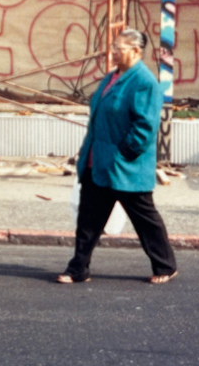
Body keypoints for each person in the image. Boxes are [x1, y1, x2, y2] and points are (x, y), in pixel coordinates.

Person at [57, 29, 177, 285]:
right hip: (97, 161)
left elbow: (145, 126)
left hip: (125, 166)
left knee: (145, 219)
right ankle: (78, 268)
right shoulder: (112, 77)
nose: (112, 52)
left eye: (118, 48)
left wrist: (123, 153)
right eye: (112, 47)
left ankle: (165, 266)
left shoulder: (144, 81)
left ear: (135, 51)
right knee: (88, 220)